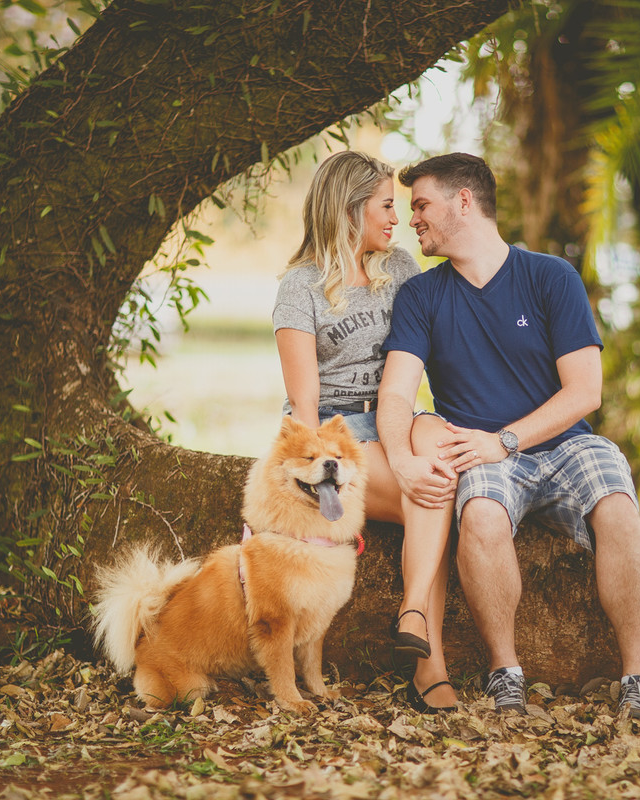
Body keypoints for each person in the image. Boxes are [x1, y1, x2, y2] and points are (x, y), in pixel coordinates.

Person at [376, 153, 640, 719]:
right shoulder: (421, 296)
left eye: (422, 205)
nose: (414, 220)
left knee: (618, 506)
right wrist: (403, 458)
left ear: (464, 201)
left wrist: (505, 439)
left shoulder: (550, 276)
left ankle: (638, 675)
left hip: (563, 442)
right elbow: (396, 395)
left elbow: (585, 392)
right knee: (479, 516)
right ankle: (506, 673)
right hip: (478, 450)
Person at [272, 151, 459, 712]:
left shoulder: (400, 269)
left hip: (396, 413)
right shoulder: (300, 286)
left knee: (438, 455)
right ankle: (430, 663)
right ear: (350, 210)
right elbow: (304, 403)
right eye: (385, 205)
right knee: (427, 494)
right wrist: (311, 476)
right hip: (338, 429)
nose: (396, 218)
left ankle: (414, 615)